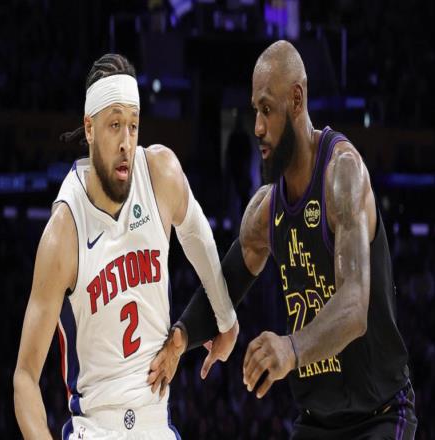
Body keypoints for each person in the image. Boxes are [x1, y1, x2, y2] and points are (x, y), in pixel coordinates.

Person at [148, 40, 417, 439]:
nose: (257, 127)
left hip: (379, 416)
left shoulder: (342, 173)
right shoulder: (265, 210)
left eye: (267, 110)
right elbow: (223, 286)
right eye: (255, 111)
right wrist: (181, 338)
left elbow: (354, 304)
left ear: (296, 99)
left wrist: (290, 349)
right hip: (315, 421)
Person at [13, 53, 238, 440]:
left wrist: (226, 318)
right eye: (115, 125)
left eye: (133, 125)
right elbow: (24, 378)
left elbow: (198, 236)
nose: (126, 142)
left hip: (156, 425)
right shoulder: (64, 231)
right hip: (95, 428)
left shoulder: (160, 174)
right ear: (89, 128)